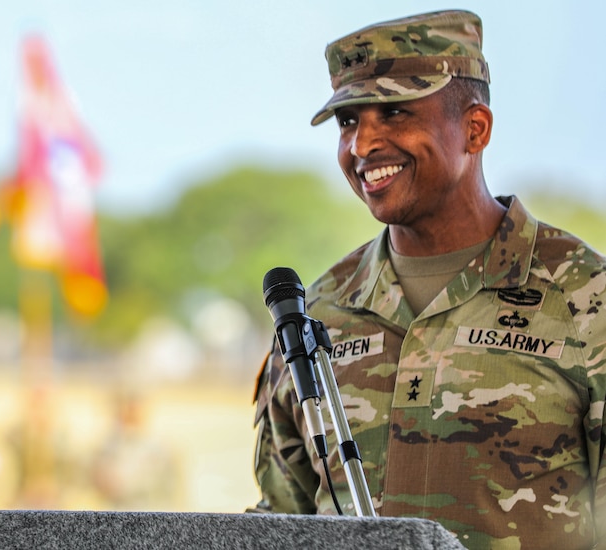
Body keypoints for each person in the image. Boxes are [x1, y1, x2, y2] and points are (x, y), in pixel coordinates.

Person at [248, 9, 606, 550]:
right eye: (349, 121)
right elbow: (282, 521)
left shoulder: (585, 296)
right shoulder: (317, 312)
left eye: (394, 113)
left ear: (475, 128)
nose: (363, 145)